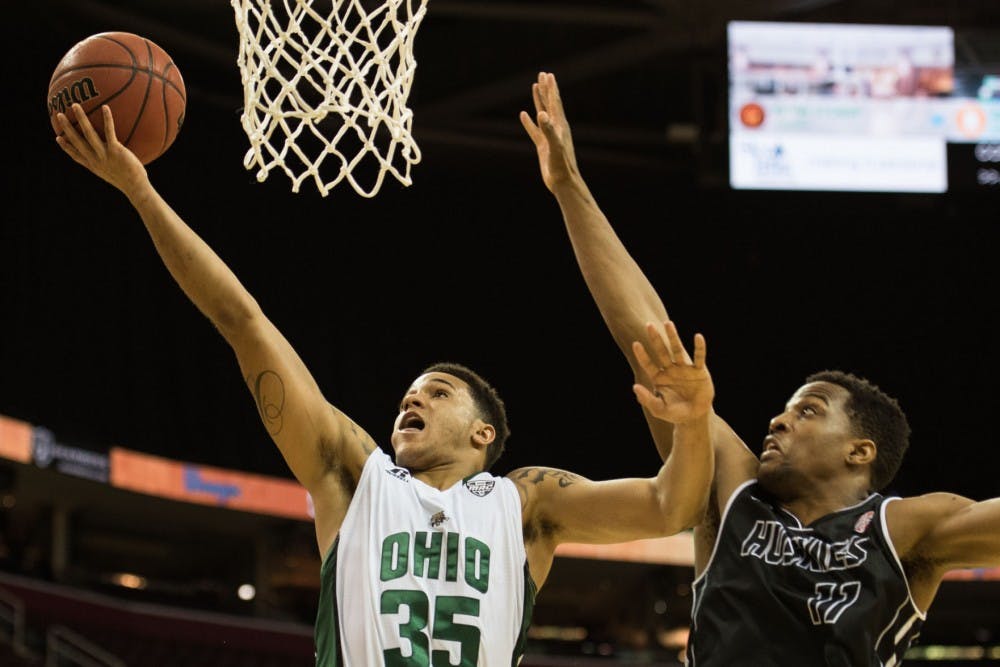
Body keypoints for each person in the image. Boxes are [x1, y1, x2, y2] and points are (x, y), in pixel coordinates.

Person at [54, 101, 716, 667]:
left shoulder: (526, 502)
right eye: (411, 389)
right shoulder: (353, 474)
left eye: (438, 391)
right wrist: (141, 192)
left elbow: (672, 507)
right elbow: (241, 320)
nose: (412, 397)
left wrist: (691, 422)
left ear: (484, 432)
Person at [520, 70, 1000, 666]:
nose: (777, 420)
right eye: (787, 408)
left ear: (860, 450)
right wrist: (569, 186)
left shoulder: (909, 529)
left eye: (808, 411)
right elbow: (647, 338)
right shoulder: (734, 490)